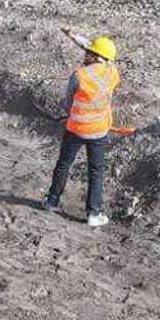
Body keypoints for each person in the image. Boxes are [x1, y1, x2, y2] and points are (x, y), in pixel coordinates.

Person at [43, 29, 121, 228]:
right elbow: (99, 52)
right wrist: (74, 36)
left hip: (75, 129)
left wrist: (70, 114)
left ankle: (52, 201)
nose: (84, 53)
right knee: (96, 171)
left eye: (88, 52)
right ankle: (94, 213)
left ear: (95, 56)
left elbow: (68, 104)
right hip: (99, 131)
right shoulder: (113, 74)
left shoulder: (79, 76)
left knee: (64, 164)